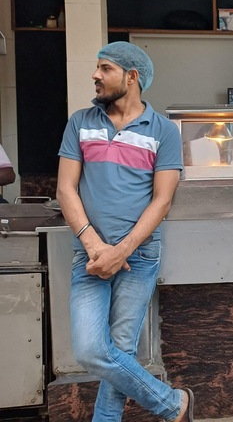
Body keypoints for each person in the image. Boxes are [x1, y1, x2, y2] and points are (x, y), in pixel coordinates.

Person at [57, 42, 193, 422]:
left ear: (132, 77)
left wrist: (123, 250)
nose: (96, 76)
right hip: (90, 255)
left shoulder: (163, 131)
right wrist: (95, 244)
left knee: (119, 349)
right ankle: (172, 404)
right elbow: (66, 188)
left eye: (105, 68)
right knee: (90, 351)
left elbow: (162, 200)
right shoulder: (80, 122)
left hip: (140, 256)